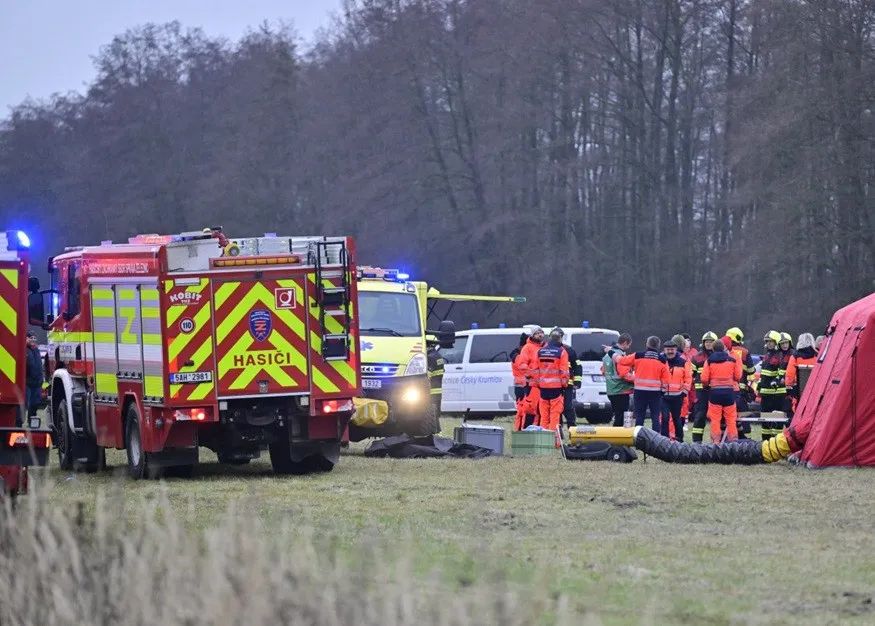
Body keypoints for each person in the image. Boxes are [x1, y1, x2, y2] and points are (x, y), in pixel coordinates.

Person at [618, 336, 669, 432]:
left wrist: (610, 352)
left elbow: (622, 361)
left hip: (640, 391)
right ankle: (656, 441)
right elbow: (666, 379)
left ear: (647, 344)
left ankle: (639, 439)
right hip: (655, 393)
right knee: (655, 418)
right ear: (658, 346)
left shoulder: (638, 355)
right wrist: (662, 391)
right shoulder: (662, 360)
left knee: (639, 417)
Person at [700, 338, 743, 442]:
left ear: (713, 349)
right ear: (724, 348)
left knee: (715, 420)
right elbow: (738, 376)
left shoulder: (709, 361)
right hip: (729, 393)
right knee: (731, 420)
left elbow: (704, 379)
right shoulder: (732, 360)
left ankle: (716, 443)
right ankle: (733, 443)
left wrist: (707, 385)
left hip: (715, 393)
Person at [536, 328, 570, 431]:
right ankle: (555, 442)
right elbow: (564, 371)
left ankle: (543, 441)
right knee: (554, 416)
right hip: (556, 388)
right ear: (560, 339)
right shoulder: (561, 352)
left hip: (543, 388)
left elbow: (535, 370)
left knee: (544, 417)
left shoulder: (540, 351)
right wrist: (565, 385)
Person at [661, 337, 691, 442]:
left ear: (676, 349)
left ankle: (680, 440)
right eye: (668, 349)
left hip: (678, 397)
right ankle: (664, 440)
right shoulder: (660, 361)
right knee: (664, 418)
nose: (670, 351)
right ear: (664, 350)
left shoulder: (683, 362)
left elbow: (688, 378)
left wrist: (684, 392)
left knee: (677, 420)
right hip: (663, 397)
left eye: (672, 349)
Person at [758, 331, 787, 441]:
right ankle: (765, 442)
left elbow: (781, 374)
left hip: (776, 395)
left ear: (776, 342)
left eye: (771, 341)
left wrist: (776, 381)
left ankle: (775, 443)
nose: (769, 344)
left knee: (776, 421)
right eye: (768, 342)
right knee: (765, 420)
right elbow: (764, 374)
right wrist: (759, 387)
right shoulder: (767, 355)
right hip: (766, 394)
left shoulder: (780, 356)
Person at [689, 332, 717, 442]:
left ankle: (716, 441)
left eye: (711, 342)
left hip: (714, 391)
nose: (709, 344)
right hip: (701, 392)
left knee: (716, 417)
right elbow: (691, 374)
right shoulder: (697, 357)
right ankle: (697, 441)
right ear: (703, 343)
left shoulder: (717, 356)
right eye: (707, 342)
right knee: (700, 416)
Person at [603, 333, 634, 426]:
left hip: (611, 390)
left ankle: (615, 437)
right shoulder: (619, 356)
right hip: (621, 390)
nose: (628, 347)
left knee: (617, 415)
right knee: (621, 418)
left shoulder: (606, 356)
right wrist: (638, 379)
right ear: (625, 343)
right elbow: (625, 374)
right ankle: (618, 439)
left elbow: (603, 370)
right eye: (628, 345)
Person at [517, 327, 545, 428]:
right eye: (538, 333)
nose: (540, 335)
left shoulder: (546, 347)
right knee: (530, 409)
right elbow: (522, 365)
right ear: (532, 335)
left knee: (542, 410)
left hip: (544, 385)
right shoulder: (527, 348)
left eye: (541, 333)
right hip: (531, 384)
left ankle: (540, 430)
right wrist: (535, 375)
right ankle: (526, 431)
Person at [552, 328, 580, 429]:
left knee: (568, 407)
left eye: (558, 337)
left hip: (568, 384)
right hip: (553, 385)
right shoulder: (547, 350)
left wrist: (577, 381)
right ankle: (558, 431)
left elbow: (577, 365)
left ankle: (572, 429)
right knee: (556, 409)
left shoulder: (568, 350)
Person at [785, 332, 817, 419]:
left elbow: (790, 375)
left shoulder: (795, 356)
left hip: (798, 392)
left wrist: (788, 388)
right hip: (815, 390)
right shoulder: (817, 355)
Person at [509, 332, 529, 431]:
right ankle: (519, 431)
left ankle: (520, 430)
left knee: (523, 411)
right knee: (522, 412)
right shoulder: (518, 357)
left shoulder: (516, 355)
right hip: (522, 387)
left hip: (521, 386)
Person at [25, 331, 44, 426]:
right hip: (27, 383)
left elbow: (40, 365)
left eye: (34, 338)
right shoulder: (23, 350)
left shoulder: (37, 350)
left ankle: (31, 422)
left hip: (37, 383)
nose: (33, 340)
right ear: (26, 339)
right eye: (30, 338)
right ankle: (18, 423)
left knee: (35, 404)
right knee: (25, 404)